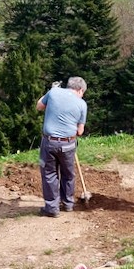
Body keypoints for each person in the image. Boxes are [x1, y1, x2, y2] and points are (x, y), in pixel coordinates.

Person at [35, 76, 88, 217]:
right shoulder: (82, 104)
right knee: (68, 174)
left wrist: (51, 91)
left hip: (49, 142)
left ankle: (52, 208)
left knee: (49, 174)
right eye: (83, 92)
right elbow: (80, 131)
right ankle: (68, 204)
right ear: (80, 90)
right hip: (68, 144)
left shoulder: (53, 92)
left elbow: (39, 106)